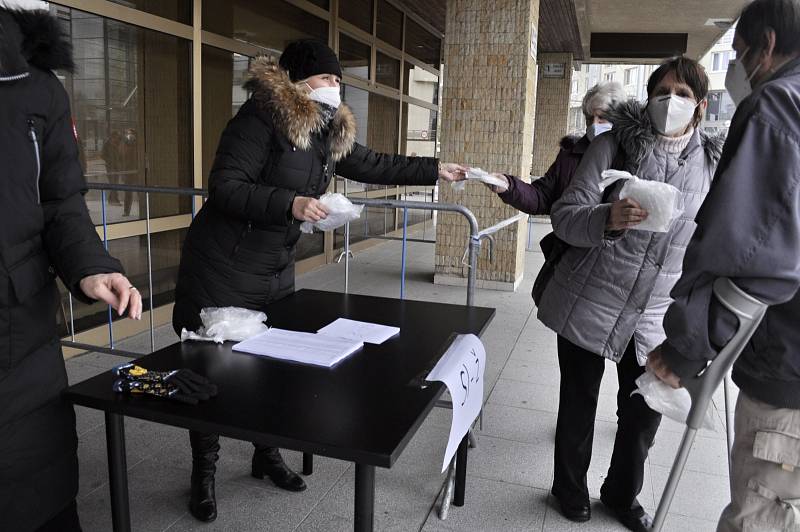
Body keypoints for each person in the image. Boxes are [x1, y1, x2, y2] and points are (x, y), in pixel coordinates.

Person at [172, 39, 466, 523]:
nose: (336, 86)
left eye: (337, 79)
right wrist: (289, 204)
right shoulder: (259, 119)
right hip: (222, 269)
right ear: (297, 80)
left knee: (271, 366)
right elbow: (224, 186)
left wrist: (435, 169)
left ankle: (266, 456)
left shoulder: (327, 129)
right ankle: (203, 473)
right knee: (211, 373)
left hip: (273, 269)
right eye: (328, 78)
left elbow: (374, 164)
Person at [535, 57, 724, 531]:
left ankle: (621, 495)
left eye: (682, 93)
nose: (670, 101)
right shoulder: (614, 144)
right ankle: (569, 489)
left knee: (642, 414)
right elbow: (565, 214)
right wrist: (607, 219)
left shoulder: (713, 165)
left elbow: (716, 243)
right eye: (662, 90)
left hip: (657, 312)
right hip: (589, 295)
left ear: (700, 106)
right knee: (578, 401)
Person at [647, 1, 800, 531]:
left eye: (739, 52)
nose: (740, 66)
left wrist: (687, 348)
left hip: (789, 374)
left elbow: (754, 256)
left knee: (761, 520)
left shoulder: (778, 107)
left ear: (769, 45)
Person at [0, 7, 142, 532]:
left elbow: (61, 201)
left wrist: (90, 266)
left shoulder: (34, 89)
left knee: (36, 493)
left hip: (16, 335)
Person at [486, 81, 625, 210]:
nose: (594, 124)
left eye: (602, 117)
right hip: (568, 235)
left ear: (619, 119)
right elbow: (542, 197)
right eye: (589, 118)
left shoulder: (633, 157)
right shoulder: (569, 155)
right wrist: (507, 185)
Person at [102, 130, 123, 205]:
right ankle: (115, 200)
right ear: (113, 137)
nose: (118, 138)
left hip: (116, 167)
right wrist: (110, 161)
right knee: (113, 183)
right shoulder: (107, 144)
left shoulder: (118, 143)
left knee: (115, 183)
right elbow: (103, 155)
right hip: (110, 167)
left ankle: (111, 199)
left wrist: (120, 162)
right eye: (117, 137)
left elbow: (120, 155)